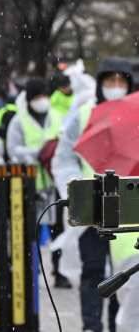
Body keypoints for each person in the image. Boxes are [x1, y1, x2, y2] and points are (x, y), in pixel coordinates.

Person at [54, 58, 134, 332]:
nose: (115, 87)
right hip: (93, 208)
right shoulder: (84, 115)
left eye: (121, 81)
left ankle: (117, 325)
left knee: (123, 275)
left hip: (129, 211)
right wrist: (76, 191)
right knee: (93, 270)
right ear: (100, 84)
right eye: (109, 81)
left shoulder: (137, 116)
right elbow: (63, 158)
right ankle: (91, 326)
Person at [6, 77, 70, 287]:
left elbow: (68, 144)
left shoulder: (58, 116)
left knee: (58, 230)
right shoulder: (19, 120)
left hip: (55, 182)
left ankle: (58, 270)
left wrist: (54, 151)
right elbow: (12, 150)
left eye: (45, 95)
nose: (42, 100)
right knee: (30, 231)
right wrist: (39, 152)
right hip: (30, 184)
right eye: (38, 96)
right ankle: (30, 271)